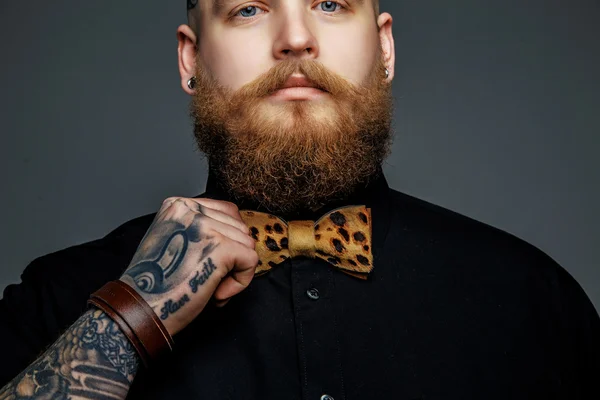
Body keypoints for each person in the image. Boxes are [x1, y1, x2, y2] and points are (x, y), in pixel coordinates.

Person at [0, 0, 598, 398]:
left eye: (331, 3)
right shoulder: (58, 301)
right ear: (191, 59)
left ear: (384, 48)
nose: (295, 39)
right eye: (250, 9)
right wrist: (131, 316)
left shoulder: (534, 302)